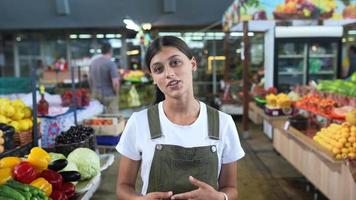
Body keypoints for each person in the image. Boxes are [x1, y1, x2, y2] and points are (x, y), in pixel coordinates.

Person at [116, 36, 245, 200]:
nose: (169, 73)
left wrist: (221, 198)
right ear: (153, 78)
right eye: (158, 69)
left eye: (175, 62)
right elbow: (123, 187)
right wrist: (138, 199)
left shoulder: (223, 123)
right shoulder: (139, 122)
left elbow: (230, 188)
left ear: (192, 64)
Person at [89, 43, 120, 113]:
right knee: (112, 118)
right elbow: (115, 83)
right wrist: (116, 93)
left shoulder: (93, 62)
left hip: (95, 94)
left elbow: (89, 78)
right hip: (109, 96)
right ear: (110, 51)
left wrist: (93, 89)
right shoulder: (111, 63)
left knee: (97, 118)